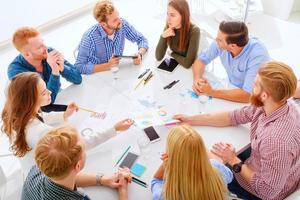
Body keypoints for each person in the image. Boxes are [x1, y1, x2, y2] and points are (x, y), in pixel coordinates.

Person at [174, 61, 300, 200]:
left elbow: (267, 191)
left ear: (264, 95)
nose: (252, 84)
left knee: (196, 158)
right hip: (263, 165)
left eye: (256, 83)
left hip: (261, 192)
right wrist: (191, 120)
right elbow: (233, 117)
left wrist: (233, 160)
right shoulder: (281, 103)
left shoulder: (276, 141)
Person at [1, 72, 134, 175]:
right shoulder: (41, 132)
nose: (50, 92)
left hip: (29, 169)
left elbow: (40, 116)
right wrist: (114, 129)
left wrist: (64, 114)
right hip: (45, 175)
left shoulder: (16, 113)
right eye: (44, 92)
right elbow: (77, 146)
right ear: (30, 101)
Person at [22, 125, 131, 200]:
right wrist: (123, 191)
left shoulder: (37, 169)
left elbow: (66, 178)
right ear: (78, 166)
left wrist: (103, 180)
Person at [192, 21, 270, 103]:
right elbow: (201, 60)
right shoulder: (221, 43)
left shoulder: (258, 55)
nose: (215, 40)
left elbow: (248, 95)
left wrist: (212, 92)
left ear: (232, 46)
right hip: (231, 86)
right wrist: (197, 79)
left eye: (219, 40)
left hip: (254, 98)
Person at [151, 125, 233, 200]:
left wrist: (167, 163)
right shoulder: (217, 168)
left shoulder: (165, 195)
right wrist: (197, 148)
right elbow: (230, 176)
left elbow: (156, 180)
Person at [8, 26, 82, 105]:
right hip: (38, 111)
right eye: (40, 47)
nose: (46, 47)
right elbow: (46, 103)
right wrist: (55, 70)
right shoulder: (16, 72)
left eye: (43, 42)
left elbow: (78, 79)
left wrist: (63, 68)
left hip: (59, 97)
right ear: (27, 54)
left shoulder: (49, 51)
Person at [75, 0, 148, 74]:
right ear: (103, 24)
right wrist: (108, 65)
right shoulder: (89, 37)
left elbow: (142, 39)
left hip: (115, 72)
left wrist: (139, 54)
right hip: (96, 75)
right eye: (115, 20)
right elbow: (79, 67)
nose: (120, 20)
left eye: (118, 16)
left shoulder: (122, 24)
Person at [155, 0, 200, 69]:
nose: (168, 19)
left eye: (172, 15)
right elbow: (158, 57)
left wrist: (171, 53)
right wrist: (163, 36)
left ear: (183, 15)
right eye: (168, 14)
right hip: (176, 66)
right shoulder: (169, 27)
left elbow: (188, 63)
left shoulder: (194, 31)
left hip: (189, 70)